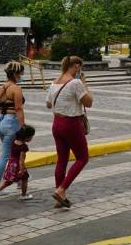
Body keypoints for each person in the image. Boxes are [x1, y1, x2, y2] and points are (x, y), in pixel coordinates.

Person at [46, 56, 92, 208]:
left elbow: (48, 104)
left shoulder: (54, 82)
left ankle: (60, 197)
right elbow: (89, 102)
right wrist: (85, 84)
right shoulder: (76, 83)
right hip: (71, 123)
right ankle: (61, 189)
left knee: (62, 160)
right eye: (80, 67)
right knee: (82, 158)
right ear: (76, 66)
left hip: (56, 123)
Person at [0, 61, 26, 201]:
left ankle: (19, 180)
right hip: (11, 123)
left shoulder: (1, 88)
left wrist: (4, 110)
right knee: (6, 155)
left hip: (1, 122)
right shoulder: (16, 89)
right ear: (16, 74)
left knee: (13, 153)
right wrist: (23, 126)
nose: (22, 75)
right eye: (21, 73)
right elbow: (18, 109)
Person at [0, 125, 35, 201]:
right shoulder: (23, 147)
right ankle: (23, 195)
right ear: (26, 137)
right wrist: (22, 169)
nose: (31, 138)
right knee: (25, 179)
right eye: (31, 137)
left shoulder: (13, 142)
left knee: (9, 181)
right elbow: (21, 160)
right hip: (18, 166)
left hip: (11, 164)